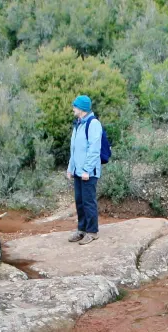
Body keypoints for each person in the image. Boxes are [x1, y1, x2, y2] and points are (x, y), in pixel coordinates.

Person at [67, 94, 102, 245]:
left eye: (75, 106)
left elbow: (94, 150)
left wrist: (86, 170)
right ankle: (82, 229)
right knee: (79, 201)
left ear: (82, 108)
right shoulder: (78, 124)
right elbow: (74, 150)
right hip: (78, 172)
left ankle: (92, 232)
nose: (73, 108)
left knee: (88, 202)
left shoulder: (93, 124)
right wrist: (70, 168)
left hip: (88, 172)